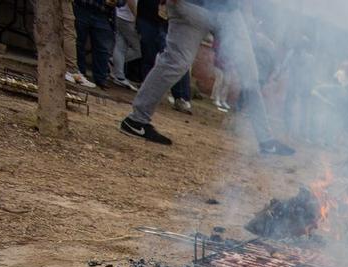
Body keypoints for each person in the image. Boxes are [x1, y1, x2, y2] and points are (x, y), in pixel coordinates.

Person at [119, 0, 293, 154]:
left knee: (249, 74)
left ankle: (266, 141)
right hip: (195, 8)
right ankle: (136, 120)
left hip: (225, 12)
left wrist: (246, 15)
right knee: (175, 63)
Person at [135, 0, 191, 114]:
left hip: (170, 22)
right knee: (149, 56)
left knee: (176, 58)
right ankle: (146, 93)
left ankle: (181, 97)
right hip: (147, 18)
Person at [72, 0, 115, 88]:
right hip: (82, 7)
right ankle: (79, 72)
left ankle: (101, 78)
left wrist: (118, 2)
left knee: (103, 48)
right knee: (78, 42)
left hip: (103, 13)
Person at [109, 0, 140, 91]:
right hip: (128, 18)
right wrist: (137, 18)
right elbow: (131, 1)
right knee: (138, 49)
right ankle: (114, 64)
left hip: (121, 14)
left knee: (121, 45)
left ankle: (119, 74)